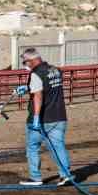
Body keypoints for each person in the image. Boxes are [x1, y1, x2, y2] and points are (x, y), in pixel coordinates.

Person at [17, 47, 72, 186]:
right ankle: (65, 175)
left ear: (32, 60)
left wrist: (36, 117)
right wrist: (28, 88)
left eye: (25, 62)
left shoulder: (36, 74)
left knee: (32, 147)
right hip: (59, 116)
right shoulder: (55, 70)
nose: (25, 66)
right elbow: (47, 87)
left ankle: (35, 178)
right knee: (58, 147)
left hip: (43, 119)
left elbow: (38, 95)